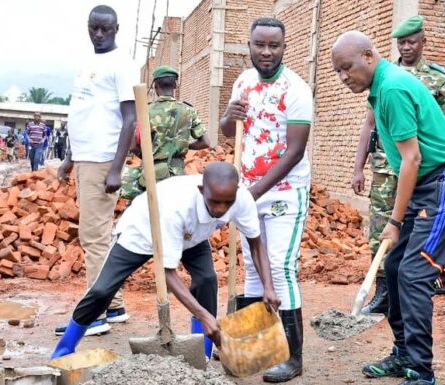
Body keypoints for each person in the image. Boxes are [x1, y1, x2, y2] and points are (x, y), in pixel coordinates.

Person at [332, 31, 445, 385]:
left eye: (346, 68)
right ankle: (403, 353)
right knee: (394, 266)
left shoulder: (392, 89)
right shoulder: (379, 90)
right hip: (426, 181)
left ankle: (421, 371)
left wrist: (395, 220)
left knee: (414, 273)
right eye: (337, 71)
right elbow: (406, 162)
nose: (342, 77)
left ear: (368, 56)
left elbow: (411, 158)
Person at [51, 162, 280, 360]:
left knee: (207, 280)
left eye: (227, 203)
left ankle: (203, 355)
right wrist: (204, 315)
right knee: (102, 291)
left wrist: (268, 287)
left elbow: (256, 243)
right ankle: (64, 350)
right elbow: (168, 273)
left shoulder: (241, 200)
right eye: (215, 202)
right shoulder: (177, 206)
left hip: (193, 234)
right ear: (201, 190)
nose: (221, 210)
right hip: (142, 231)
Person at [351, 16, 445, 316]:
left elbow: (443, 126)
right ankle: (384, 294)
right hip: (390, 169)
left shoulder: (422, 80)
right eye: (401, 42)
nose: (406, 46)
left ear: (423, 41)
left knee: (415, 251)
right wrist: (357, 167)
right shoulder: (382, 77)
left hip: (423, 171)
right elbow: (369, 125)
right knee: (384, 238)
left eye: (411, 41)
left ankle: (424, 291)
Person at [220, 17, 312, 383]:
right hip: (249, 190)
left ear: (285, 47)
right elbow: (229, 132)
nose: (267, 52)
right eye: (260, 44)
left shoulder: (296, 89)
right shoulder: (243, 82)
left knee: (280, 266)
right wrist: (230, 115)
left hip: (285, 192)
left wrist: (252, 193)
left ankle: (292, 356)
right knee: (254, 272)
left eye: (274, 45)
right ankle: (260, 350)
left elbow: (294, 151)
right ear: (250, 45)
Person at [55, 4, 139, 336]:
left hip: (103, 159)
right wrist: (70, 156)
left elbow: (130, 118)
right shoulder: (89, 63)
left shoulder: (122, 64)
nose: (99, 34)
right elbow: (84, 110)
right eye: (94, 28)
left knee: (93, 237)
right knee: (99, 235)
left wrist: (116, 168)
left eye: (106, 29)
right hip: (87, 156)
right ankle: (114, 306)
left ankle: (95, 316)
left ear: (116, 28)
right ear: (88, 27)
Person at [120, 65, 208, 200]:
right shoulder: (188, 110)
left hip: (151, 175)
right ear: (175, 86)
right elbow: (206, 142)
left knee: (149, 213)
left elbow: (133, 146)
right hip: (177, 176)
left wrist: (153, 152)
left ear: (155, 87)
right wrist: (183, 144)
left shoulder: (146, 110)